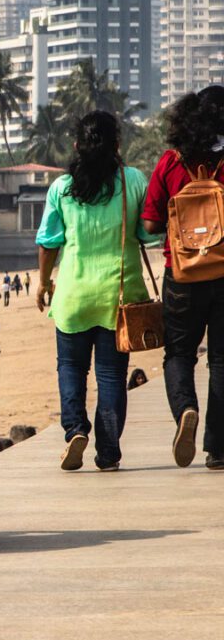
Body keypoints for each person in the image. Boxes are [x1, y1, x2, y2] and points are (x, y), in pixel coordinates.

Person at [36, 110, 153, 471]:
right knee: (111, 376)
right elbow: (148, 233)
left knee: (70, 368)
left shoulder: (62, 188)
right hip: (119, 297)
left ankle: (74, 430)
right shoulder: (133, 181)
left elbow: (48, 242)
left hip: (72, 295)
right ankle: (109, 453)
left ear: (76, 145)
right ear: (117, 144)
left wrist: (43, 283)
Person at [141, 85, 224, 470]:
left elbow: (152, 220)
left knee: (179, 354)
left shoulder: (172, 162)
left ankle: (185, 410)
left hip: (183, 271)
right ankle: (218, 449)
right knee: (222, 360)